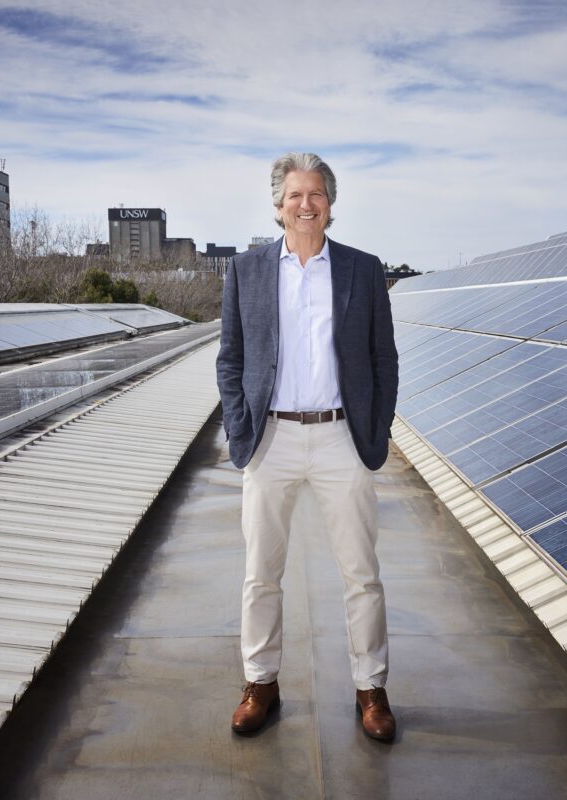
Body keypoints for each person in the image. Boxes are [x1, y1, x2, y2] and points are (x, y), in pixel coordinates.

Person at [216, 152, 400, 740]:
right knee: (260, 574)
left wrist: (376, 427)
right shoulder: (245, 271)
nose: (306, 204)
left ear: (330, 204)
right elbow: (231, 359)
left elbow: (383, 359)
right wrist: (241, 427)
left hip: (342, 437)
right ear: (278, 206)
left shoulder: (363, 271)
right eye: (295, 195)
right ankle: (260, 684)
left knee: (361, 574)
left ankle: (371, 690)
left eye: (316, 194)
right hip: (271, 439)